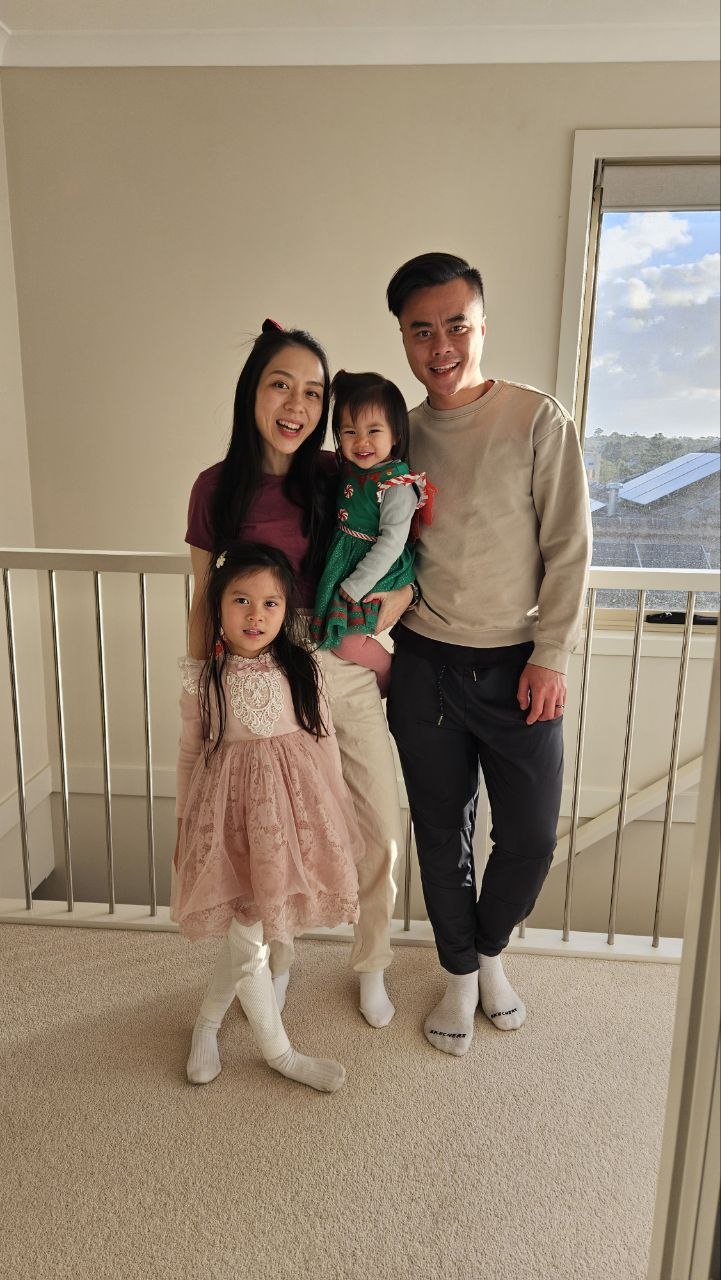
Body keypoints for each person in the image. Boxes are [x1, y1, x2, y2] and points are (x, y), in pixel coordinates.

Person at [385, 252, 592, 1057]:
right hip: (424, 664)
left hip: (518, 667)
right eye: (421, 331)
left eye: (455, 326)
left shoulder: (536, 418)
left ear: (481, 325)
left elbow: (569, 545)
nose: (440, 346)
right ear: (403, 336)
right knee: (441, 834)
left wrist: (553, 652)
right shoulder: (398, 433)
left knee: (530, 837)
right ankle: (460, 974)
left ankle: (491, 952)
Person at [185, 319, 412, 1031]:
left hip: (340, 665)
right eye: (281, 385)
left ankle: (371, 964)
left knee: (378, 827)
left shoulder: (335, 474)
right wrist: (202, 696)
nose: (297, 405)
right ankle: (280, 962)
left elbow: (397, 547)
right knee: (274, 838)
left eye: (313, 392)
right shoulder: (214, 488)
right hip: (261, 682)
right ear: (251, 391)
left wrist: (394, 604)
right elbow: (204, 598)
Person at [173, 542, 364, 1091]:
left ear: (285, 610)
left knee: (248, 932)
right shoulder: (205, 676)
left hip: (290, 822)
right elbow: (190, 751)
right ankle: (277, 1051)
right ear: (218, 606)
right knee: (247, 931)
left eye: (270, 603)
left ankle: (210, 1026)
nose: (255, 615)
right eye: (241, 600)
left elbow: (324, 743)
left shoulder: (301, 666)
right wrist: (184, 824)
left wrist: (335, 814)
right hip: (230, 823)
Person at [310, 370, 431, 697]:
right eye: (350, 432)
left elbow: (392, 542)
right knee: (332, 635)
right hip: (347, 558)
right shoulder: (349, 470)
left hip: (376, 567)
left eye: (373, 431)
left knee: (347, 642)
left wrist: (356, 584)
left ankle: (388, 673)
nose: (361, 442)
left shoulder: (396, 485)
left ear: (396, 435)